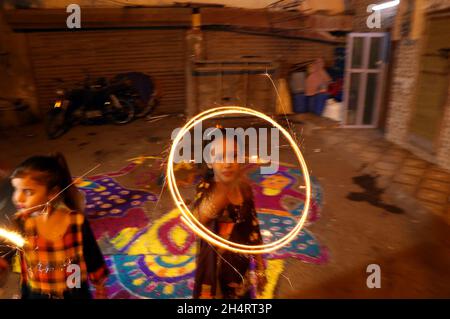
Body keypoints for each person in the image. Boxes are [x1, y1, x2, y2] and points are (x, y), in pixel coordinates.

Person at [3, 153, 108, 299]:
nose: (18, 198)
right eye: (16, 189)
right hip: (36, 292)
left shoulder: (76, 222)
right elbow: (7, 253)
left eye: (28, 191)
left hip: (74, 291)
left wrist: (100, 287)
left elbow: (92, 256)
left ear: (52, 193)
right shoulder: (21, 222)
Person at [192, 128, 266, 299]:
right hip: (214, 274)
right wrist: (223, 192)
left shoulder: (245, 189)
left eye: (233, 156)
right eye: (220, 157)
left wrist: (261, 268)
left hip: (241, 270)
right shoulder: (206, 189)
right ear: (209, 162)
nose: (227, 163)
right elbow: (198, 218)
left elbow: (254, 230)